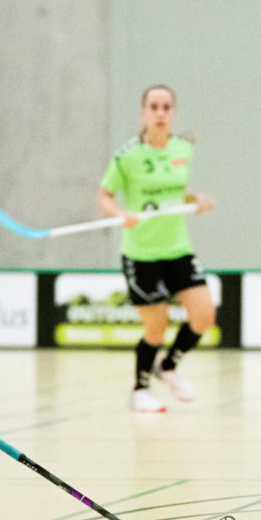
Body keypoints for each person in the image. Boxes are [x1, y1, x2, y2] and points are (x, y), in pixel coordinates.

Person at [97, 85, 216, 413]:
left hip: (178, 248)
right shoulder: (126, 156)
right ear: (143, 112)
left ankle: (168, 366)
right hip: (141, 253)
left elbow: (176, 193)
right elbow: (104, 196)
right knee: (157, 326)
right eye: (154, 107)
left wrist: (196, 201)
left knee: (204, 316)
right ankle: (140, 390)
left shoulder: (183, 150)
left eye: (166, 107)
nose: (160, 113)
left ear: (173, 112)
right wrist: (120, 214)